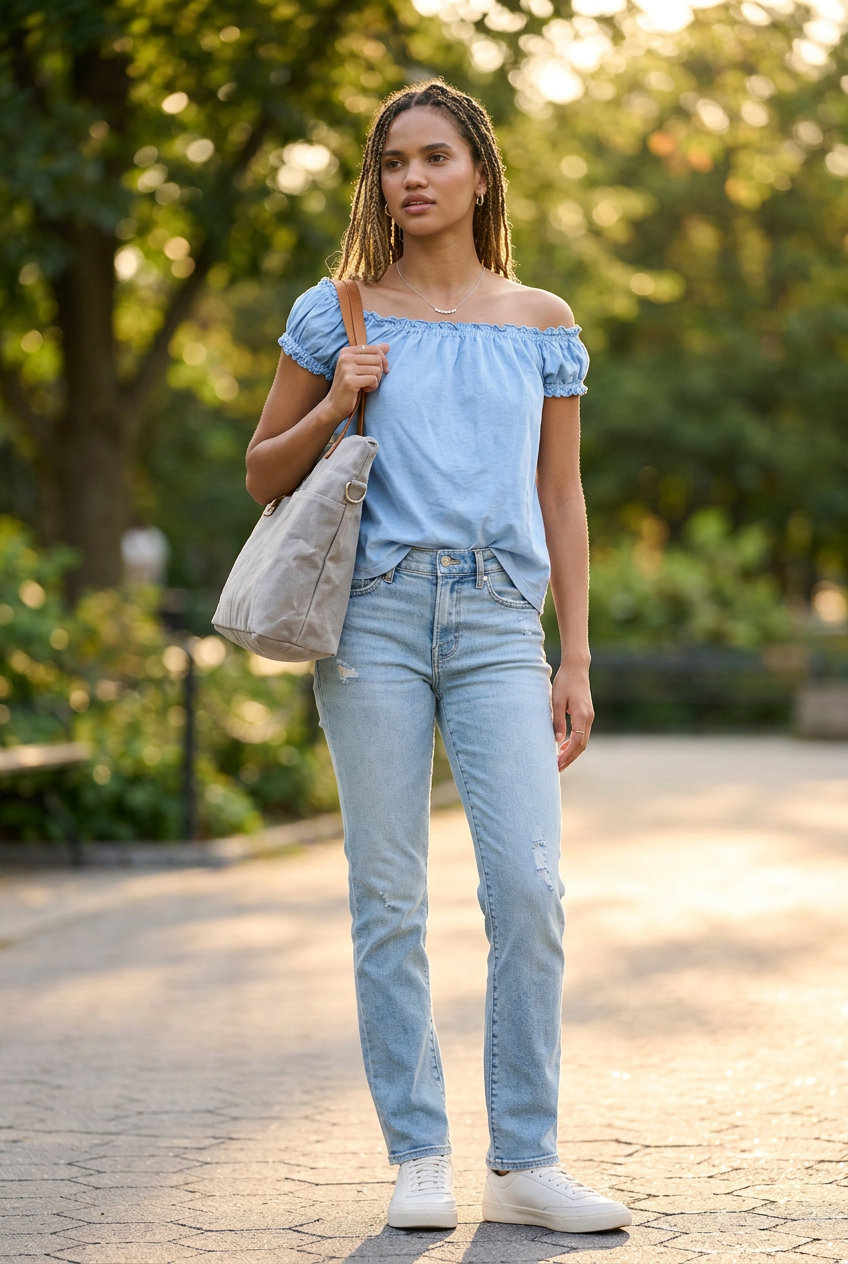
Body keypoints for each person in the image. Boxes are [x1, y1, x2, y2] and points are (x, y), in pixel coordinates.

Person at [245, 79, 631, 1236]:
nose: (409, 179)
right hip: (370, 619)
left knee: (526, 886)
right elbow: (263, 472)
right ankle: (418, 1153)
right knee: (388, 894)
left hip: (500, 622)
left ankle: (523, 1156)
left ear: (477, 173)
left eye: (433, 158)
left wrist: (574, 652)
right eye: (391, 163)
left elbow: (559, 492)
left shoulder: (541, 321)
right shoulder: (338, 310)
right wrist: (333, 407)